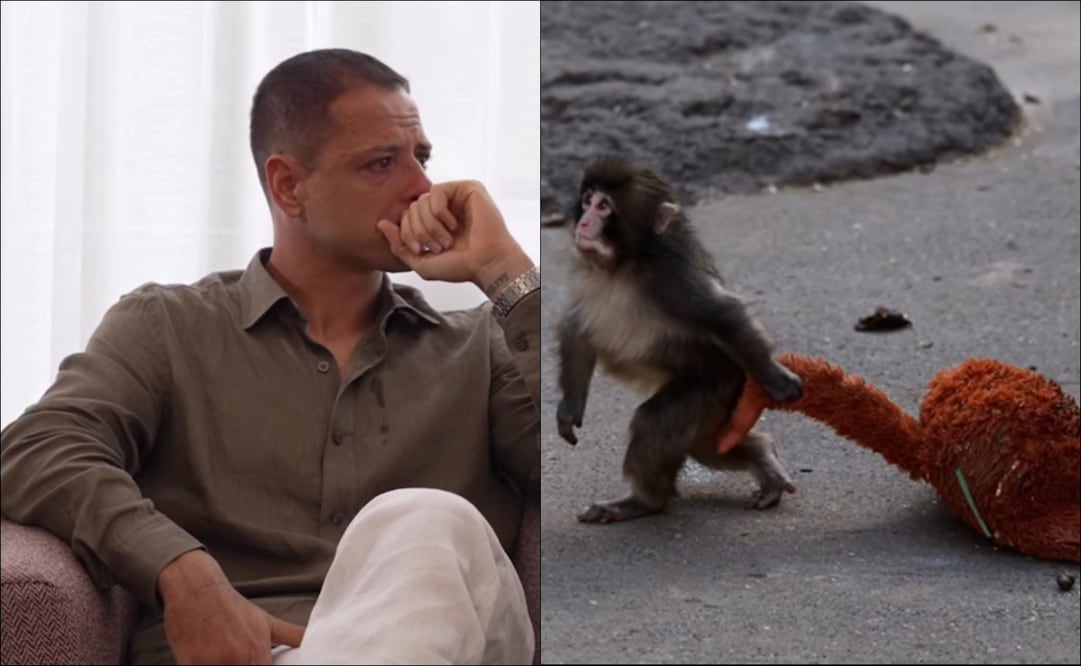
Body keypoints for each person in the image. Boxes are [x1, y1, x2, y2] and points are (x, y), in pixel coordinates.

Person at [0, 49, 540, 665]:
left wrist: (506, 273)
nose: (422, 187)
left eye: (423, 157)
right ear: (289, 186)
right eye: (382, 163)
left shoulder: (479, 348)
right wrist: (181, 569)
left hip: (452, 642)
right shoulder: (169, 328)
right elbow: (38, 447)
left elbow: (581, 460)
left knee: (428, 519)